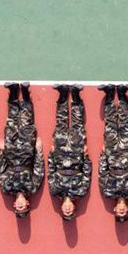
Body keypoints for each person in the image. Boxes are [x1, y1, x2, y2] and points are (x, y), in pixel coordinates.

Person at [0, 82, 44, 218]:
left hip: (10, 152)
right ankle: (25, 92)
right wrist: (38, 150)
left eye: (18, 208)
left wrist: (1, 151)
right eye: (22, 207)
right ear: (27, 204)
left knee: (11, 121)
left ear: (14, 205)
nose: (20, 205)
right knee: (27, 122)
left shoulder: (7, 189)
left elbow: (1, 170)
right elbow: (38, 169)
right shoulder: (32, 188)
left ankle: (12, 92)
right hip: (26, 152)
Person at [97, 84, 128, 222]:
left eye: (119, 213)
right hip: (127, 154)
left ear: (115, 210)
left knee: (110, 125)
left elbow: (102, 174)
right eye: (124, 213)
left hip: (111, 155)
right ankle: (122, 95)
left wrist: (103, 156)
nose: (121, 211)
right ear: (127, 209)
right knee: (124, 125)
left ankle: (109, 94)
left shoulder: (107, 192)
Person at [48, 84, 92, 221]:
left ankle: (62, 94)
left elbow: (51, 172)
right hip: (76, 156)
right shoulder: (80, 192)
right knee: (77, 125)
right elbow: (86, 174)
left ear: (61, 209)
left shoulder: (55, 191)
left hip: (60, 155)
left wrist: (51, 155)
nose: (67, 209)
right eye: (70, 211)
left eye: (65, 212)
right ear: (74, 207)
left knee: (61, 124)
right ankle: (76, 95)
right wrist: (86, 156)